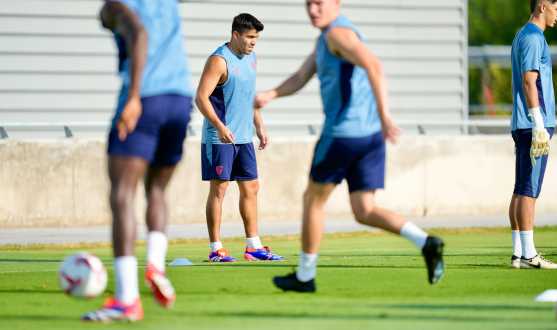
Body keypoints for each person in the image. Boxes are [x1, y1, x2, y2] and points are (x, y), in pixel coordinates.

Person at [255, 0, 444, 292]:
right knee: (364, 210)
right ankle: (426, 241)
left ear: (336, 3)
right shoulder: (327, 38)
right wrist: (271, 94)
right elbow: (301, 76)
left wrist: (385, 115)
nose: (312, 10)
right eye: (308, 4)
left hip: (343, 134)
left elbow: (375, 66)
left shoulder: (337, 34)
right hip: (369, 138)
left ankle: (305, 276)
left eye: (318, 3)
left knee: (312, 200)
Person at [83, 0, 194, 322]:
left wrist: (133, 96)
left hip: (146, 97)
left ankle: (126, 299)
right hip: (180, 99)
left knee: (122, 195)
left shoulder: (117, 5)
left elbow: (139, 33)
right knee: (157, 189)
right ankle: (156, 265)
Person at [195, 14, 283, 262]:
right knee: (220, 189)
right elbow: (201, 97)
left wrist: (260, 127)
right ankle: (215, 249)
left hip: (244, 138)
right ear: (236, 34)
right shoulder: (219, 60)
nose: (254, 42)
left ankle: (253, 247)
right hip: (219, 138)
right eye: (251, 37)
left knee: (251, 188)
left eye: (257, 37)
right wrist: (219, 126)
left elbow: (249, 94)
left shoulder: (251, 57)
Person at [508, 0, 557, 269]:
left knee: (520, 188)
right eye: (556, 7)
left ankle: (518, 254)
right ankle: (529, 255)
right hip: (532, 124)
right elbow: (529, 81)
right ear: (542, 6)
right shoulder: (533, 36)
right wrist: (539, 124)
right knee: (529, 190)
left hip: (523, 123)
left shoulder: (521, 34)